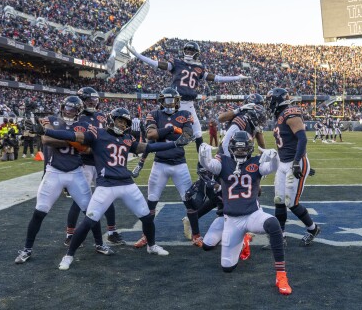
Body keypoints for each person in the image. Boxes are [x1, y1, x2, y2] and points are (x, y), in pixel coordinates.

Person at [32, 107, 193, 270]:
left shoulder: (128, 138)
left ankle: (151, 246)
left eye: (125, 123)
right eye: (120, 121)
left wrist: (174, 143)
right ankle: (69, 255)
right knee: (88, 221)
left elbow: (147, 148)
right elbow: (73, 136)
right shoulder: (97, 134)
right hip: (106, 185)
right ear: (112, 119)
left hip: (127, 183)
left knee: (146, 217)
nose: (122, 125)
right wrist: (46, 131)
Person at [15, 96, 111, 265]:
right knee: (40, 211)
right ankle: (27, 249)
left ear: (79, 111)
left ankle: (99, 244)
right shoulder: (51, 119)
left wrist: (66, 139)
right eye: (67, 107)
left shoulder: (86, 125)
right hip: (54, 172)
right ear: (62, 107)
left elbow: (89, 147)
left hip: (76, 172)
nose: (68, 111)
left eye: (73, 109)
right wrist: (74, 139)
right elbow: (46, 140)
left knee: (91, 212)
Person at [198, 131, 292, 295]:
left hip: (252, 215)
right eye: (238, 148)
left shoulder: (256, 162)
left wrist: (275, 157)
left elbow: (271, 168)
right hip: (231, 220)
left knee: (273, 224)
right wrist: (203, 156)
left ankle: (281, 275)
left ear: (250, 148)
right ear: (231, 148)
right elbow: (209, 166)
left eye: (244, 148)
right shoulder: (223, 162)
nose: (241, 152)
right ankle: (244, 241)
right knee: (227, 268)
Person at [126, 41, 251, 151]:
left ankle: (202, 167)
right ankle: (143, 159)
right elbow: (158, 64)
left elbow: (217, 78)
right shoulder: (177, 63)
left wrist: (236, 78)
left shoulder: (199, 68)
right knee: (157, 132)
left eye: (191, 50)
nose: (189, 52)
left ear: (196, 53)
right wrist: (138, 55)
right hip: (173, 103)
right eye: (187, 50)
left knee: (198, 134)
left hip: (189, 104)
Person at [133, 87, 203, 248]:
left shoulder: (185, 114)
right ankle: (146, 235)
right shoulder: (155, 114)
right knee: (151, 203)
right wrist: (171, 130)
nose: (171, 104)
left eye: (174, 100)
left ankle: (197, 235)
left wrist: (162, 133)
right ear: (161, 100)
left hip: (179, 164)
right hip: (160, 164)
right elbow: (151, 136)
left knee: (189, 202)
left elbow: (186, 137)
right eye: (168, 100)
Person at [63, 87, 126, 247]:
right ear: (81, 101)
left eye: (94, 100)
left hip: (100, 161)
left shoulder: (101, 116)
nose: (92, 103)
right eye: (89, 100)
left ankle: (112, 232)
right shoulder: (77, 117)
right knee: (79, 200)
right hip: (83, 162)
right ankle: (70, 234)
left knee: (108, 195)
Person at [265, 88, 320, 247]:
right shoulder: (280, 116)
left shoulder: (290, 113)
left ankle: (313, 228)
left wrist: (298, 162)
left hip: (294, 163)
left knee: (291, 202)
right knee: (279, 200)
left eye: (271, 100)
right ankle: (280, 236)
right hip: (283, 163)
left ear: (277, 100)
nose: (269, 104)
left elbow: (302, 139)